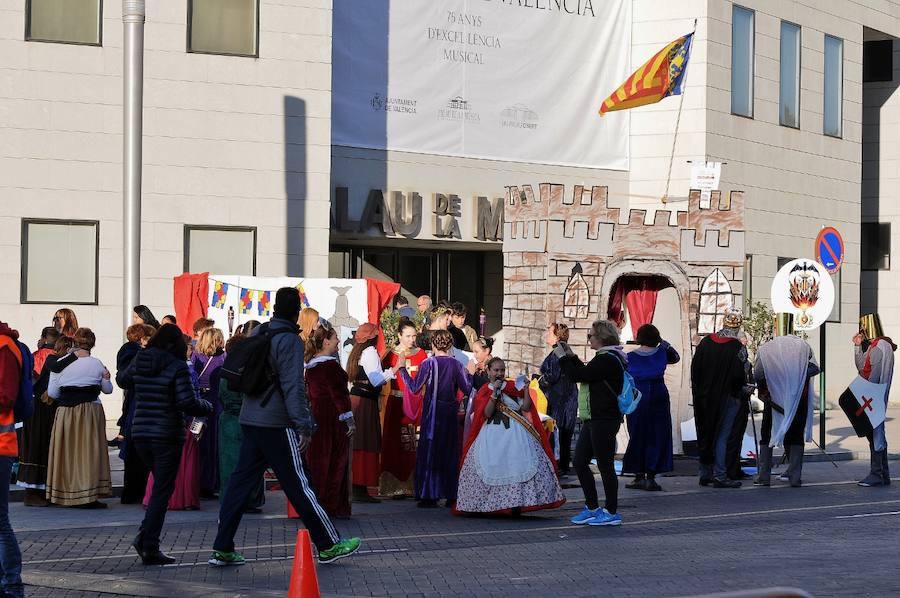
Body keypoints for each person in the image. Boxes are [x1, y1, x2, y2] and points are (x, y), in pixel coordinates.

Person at [209, 287, 360, 567]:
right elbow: (292, 387)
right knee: (300, 484)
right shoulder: (289, 340)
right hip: (276, 421)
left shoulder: (261, 332)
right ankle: (328, 544)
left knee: (239, 485)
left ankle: (222, 546)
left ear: (275, 307)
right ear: (296, 311)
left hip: (250, 416)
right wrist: (304, 425)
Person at [117, 324, 213, 565]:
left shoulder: (142, 359)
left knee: (160, 487)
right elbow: (186, 402)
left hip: (141, 433)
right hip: (167, 434)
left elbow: (122, 380)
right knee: (162, 490)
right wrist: (207, 407)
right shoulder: (177, 366)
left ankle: (145, 536)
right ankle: (149, 544)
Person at [456, 357, 565, 515]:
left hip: (517, 432)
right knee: (490, 464)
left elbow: (526, 407)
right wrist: (495, 393)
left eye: (502, 370)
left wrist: (526, 389)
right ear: (488, 371)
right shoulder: (485, 390)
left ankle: (516, 503)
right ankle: (487, 504)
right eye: (496, 370)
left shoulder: (514, 387)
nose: (499, 373)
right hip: (492, 433)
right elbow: (486, 413)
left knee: (518, 463)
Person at [558, 320, 626, 526]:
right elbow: (589, 373)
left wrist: (563, 359)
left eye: (591, 336)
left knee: (605, 465)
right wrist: (572, 357)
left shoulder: (608, 359)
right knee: (579, 461)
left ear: (602, 338)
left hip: (604, 418)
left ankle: (611, 511)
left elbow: (578, 375)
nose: (589, 339)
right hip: (593, 417)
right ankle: (592, 507)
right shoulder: (605, 358)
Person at [399, 329, 472, 508]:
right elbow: (468, 388)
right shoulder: (456, 365)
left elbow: (414, 387)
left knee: (431, 450)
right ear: (450, 345)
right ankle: (451, 493)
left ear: (433, 344)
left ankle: (429, 494)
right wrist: (471, 374)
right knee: (449, 451)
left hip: (432, 413)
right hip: (449, 413)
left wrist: (402, 369)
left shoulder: (428, 363)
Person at [46, 328, 113, 508]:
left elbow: (52, 392)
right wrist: (106, 378)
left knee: (66, 453)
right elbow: (108, 390)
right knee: (89, 452)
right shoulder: (97, 363)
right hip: (91, 411)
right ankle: (88, 495)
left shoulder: (60, 363)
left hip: (65, 411)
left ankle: (64, 493)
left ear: (74, 342)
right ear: (92, 343)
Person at [753, 313, 819, 488]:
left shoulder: (766, 348)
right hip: (798, 398)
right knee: (795, 435)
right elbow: (814, 368)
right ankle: (795, 477)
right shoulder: (804, 346)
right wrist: (797, 375)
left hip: (773, 398)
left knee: (767, 434)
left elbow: (758, 373)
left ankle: (764, 476)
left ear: (776, 327)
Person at [691, 308, 750, 489]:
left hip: (704, 397)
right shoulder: (738, 348)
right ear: (738, 326)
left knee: (705, 432)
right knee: (722, 436)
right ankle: (720, 474)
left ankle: (705, 473)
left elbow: (695, 368)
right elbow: (740, 375)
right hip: (727, 398)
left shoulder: (706, 342)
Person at [622, 324, 680, 491]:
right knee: (657, 433)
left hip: (638, 395)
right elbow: (675, 357)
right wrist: (662, 342)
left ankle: (638, 474)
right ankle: (651, 476)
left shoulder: (629, 357)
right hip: (658, 394)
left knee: (637, 433)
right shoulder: (662, 353)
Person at [305, 324, 354, 517]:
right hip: (333, 420)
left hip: (316, 417)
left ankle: (318, 502)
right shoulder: (330, 366)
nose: (338, 341)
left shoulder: (311, 366)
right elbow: (339, 396)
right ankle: (333, 505)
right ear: (326, 341)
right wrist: (349, 419)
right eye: (335, 338)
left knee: (318, 461)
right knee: (335, 461)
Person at [346, 323, 399, 502]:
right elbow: (375, 380)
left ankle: (357, 486)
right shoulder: (369, 352)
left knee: (360, 442)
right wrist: (394, 370)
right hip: (365, 403)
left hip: (357, 400)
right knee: (366, 442)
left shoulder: (357, 351)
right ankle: (360, 487)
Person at [218, 321, 265, 513]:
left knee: (229, 464)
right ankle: (247, 500)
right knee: (248, 463)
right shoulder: (246, 371)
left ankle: (231, 499)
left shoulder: (225, 371)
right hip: (245, 420)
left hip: (228, 420)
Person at [380, 318, 427, 498]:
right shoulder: (391, 355)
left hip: (415, 406)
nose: (411, 340)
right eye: (407, 336)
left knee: (413, 443)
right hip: (397, 404)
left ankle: (414, 485)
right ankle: (393, 487)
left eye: (414, 336)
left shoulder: (421, 354)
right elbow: (381, 376)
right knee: (394, 443)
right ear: (400, 335)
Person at [17, 327, 60, 506]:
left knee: (34, 448)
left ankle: (34, 491)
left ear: (43, 338)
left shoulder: (35, 355)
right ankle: (36, 493)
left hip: (34, 406)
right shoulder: (54, 357)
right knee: (41, 448)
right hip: (46, 407)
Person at [854, 313, 896, 487]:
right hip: (875, 394)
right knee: (877, 433)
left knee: (875, 433)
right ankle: (884, 474)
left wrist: (867, 395)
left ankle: (876, 473)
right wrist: (858, 347)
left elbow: (868, 372)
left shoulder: (878, 347)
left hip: (873, 394)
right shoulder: (882, 345)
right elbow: (864, 366)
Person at [0, 320, 24, 598]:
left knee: (1, 520)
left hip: (2, 445)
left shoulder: (5, 347)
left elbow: (5, 397)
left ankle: (12, 582)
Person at [191, 327, 227, 499]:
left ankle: (198, 482)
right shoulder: (223, 357)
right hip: (216, 402)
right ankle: (211, 482)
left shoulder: (196, 357)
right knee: (213, 443)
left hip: (200, 402)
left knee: (199, 441)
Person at [539, 323, 578, 476]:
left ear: (557, 335)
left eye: (549, 332)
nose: (547, 335)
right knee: (564, 432)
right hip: (566, 397)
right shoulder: (563, 349)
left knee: (558, 431)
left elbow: (552, 376)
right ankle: (563, 464)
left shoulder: (558, 351)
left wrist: (537, 381)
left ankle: (560, 464)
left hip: (561, 398)